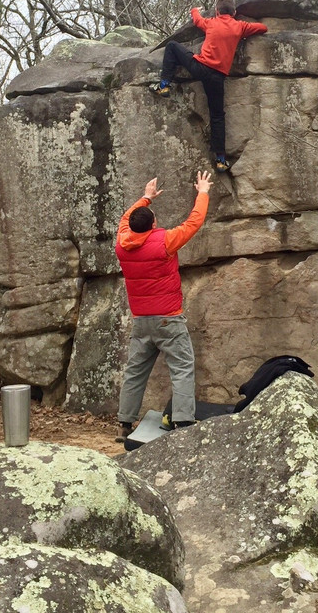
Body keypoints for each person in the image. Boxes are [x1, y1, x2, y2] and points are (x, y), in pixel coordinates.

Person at [115, 170, 213, 441]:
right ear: (153, 224)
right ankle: (182, 422)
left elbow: (125, 218)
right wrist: (202, 192)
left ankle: (124, 423)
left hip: (141, 320)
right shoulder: (165, 241)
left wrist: (145, 197)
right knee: (181, 367)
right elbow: (194, 222)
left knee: (136, 370)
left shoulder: (122, 244)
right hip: (169, 318)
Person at [150, 0, 268, 173]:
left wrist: (194, 10)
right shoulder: (239, 26)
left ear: (217, 11)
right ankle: (220, 159)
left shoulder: (211, 22)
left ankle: (165, 84)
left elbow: (197, 20)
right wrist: (245, 27)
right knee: (217, 115)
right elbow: (263, 28)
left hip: (200, 68)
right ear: (234, 13)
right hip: (218, 77)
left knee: (173, 46)